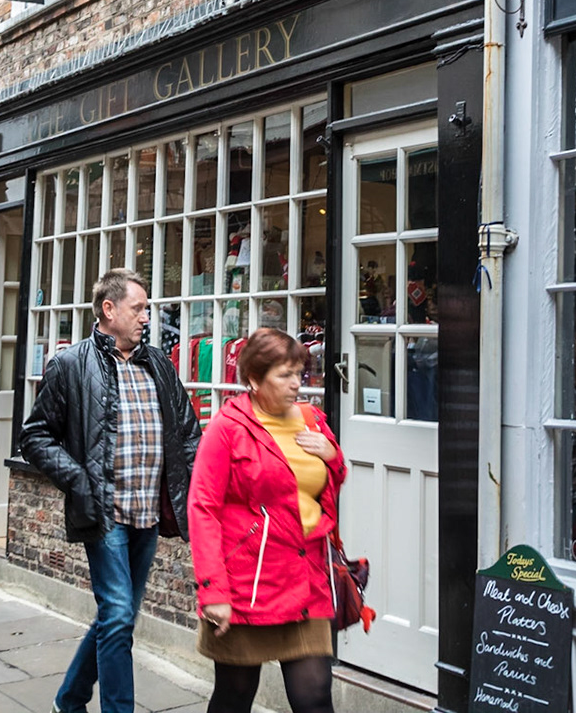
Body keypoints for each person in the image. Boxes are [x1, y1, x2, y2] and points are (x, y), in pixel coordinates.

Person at [20, 270, 201, 713]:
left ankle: (70, 698)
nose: (146, 316)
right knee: (119, 615)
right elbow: (35, 436)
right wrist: (80, 481)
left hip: (150, 512)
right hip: (104, 512)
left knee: (115, 617)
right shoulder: (70, 364)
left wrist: (193, 490)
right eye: (138, 308)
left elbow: (189, 433)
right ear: (109, 310)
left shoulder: (159, 363)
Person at [190, 328, 346, 713]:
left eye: (299, 373)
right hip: (248, 586)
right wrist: (213, 591)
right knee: (235, 696)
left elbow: (324, 490)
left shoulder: (312, 421)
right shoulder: (228, 429)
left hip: (306, 578)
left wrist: (333, 456)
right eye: (285, 375)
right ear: (255, 380)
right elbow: (202, 506)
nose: (297, 384)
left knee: (314, 698)